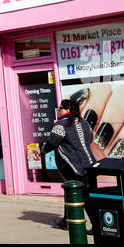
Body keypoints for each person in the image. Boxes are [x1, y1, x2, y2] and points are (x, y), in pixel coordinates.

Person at [43, 98, 97, 229]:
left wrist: (43, 150)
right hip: (90, 164)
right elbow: (90, 138)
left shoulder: (61, 125)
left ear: (67, 110)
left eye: (60, 108)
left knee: (84, 196)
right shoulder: (84, 122)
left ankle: (97, 227)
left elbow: (52, 142)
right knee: (72, 191)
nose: (58, 110)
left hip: (74, 166)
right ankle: (67, 220)